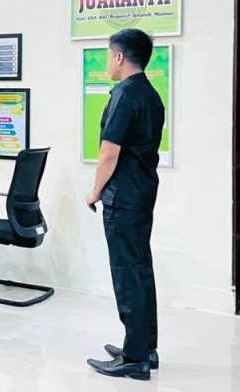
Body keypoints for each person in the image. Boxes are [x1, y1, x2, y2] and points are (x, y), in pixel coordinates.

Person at [85, 29, 165, 381]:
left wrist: (95, 191)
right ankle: (145, 346)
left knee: (126, 272)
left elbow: (109, 152)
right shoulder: (150, 94)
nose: (108, 62)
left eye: (109, 55)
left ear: (119, 57)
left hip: (123, 197)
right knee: (140, 268)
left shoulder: (125, 94)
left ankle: (135, 358)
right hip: (142, 193)